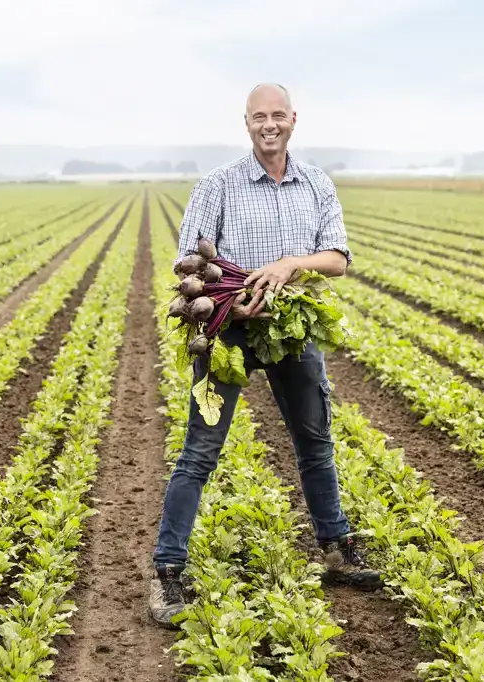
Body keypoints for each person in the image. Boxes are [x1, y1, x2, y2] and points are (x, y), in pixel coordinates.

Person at [147, 82, 383, 629]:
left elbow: (338, 258)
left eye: (278, 115)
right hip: (228, 330)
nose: (269, 124)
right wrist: (231, 306)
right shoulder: (219, 185)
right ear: (247, 122)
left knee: (315, 442)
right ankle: (166, 569)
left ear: (294, 121)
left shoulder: (316, 184)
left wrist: (288, 265)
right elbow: (189, 261)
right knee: (200, 451)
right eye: (260, 116)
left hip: (291, 331)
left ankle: (333, 545)